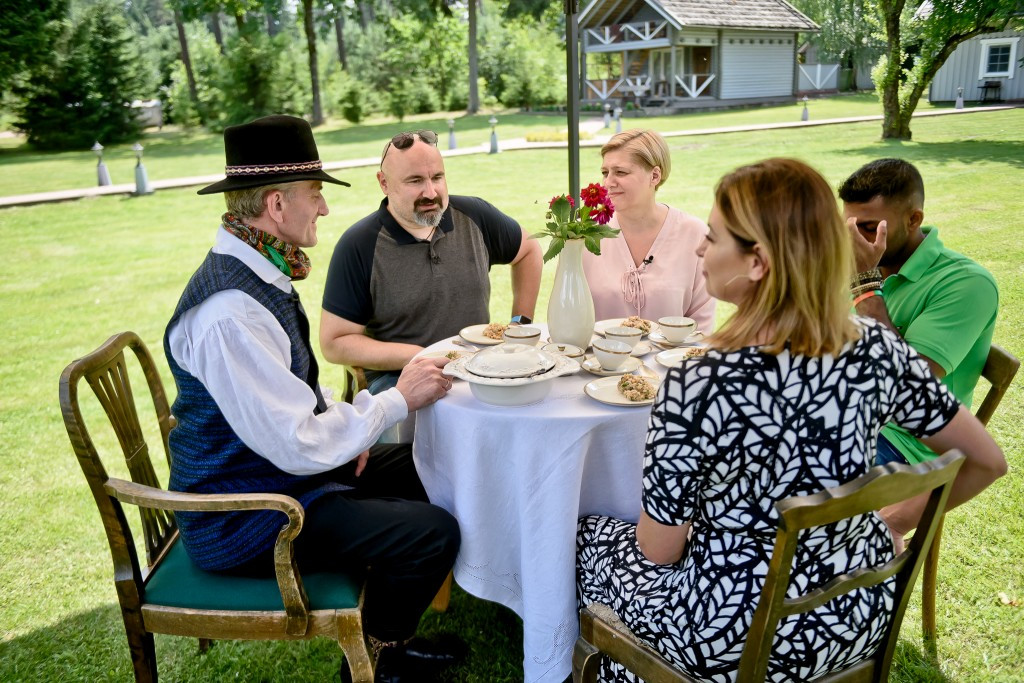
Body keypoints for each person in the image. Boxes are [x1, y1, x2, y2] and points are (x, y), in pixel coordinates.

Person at [576, 158, 1006, 682]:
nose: (698, 248)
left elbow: (659, 550)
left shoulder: (699, 383)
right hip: (854, 618)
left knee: (587, 537)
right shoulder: (875, 348)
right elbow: (986, 459)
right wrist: (888, 522)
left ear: (757, 262)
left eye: (712, 238)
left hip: (730, 635)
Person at [165, 115, 462, 682]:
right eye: (316, 194)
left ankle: (390, 642)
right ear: (277, 205)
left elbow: (293, 394)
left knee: (428, 466)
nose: (323, 208)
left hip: (279, 478)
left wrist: (349, 425)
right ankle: (376, 664)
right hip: (250, 516)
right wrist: (394, 400)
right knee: (433, 532)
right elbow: (297, 443)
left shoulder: (257, 271)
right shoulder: (229, 313)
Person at [320, 129, 543, 394]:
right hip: (400, 379)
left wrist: (519, 323)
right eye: (415, 181)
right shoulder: (359, 244)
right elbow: (333, 343)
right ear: (384, 183)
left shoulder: (474, 216)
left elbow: (529, 250)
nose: (430, 192)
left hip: (479, 370)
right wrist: (421, 355)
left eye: (437, 177)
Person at [840, 158, 999, 466]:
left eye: (868, 228)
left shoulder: (967, 283)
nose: (854, 241)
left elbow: (908, 384)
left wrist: (865, 285)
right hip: (845, 413)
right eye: (847, 227)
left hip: (907, 442)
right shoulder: (862, 263)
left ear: (913, 220)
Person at [582, 129, 715, 330]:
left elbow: (701, 325)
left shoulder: (694, 234)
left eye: (621, 172)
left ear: (654, 175)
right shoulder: (585, 236)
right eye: (605, 173)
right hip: (599, 360)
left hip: (673, 360)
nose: (608, 182)